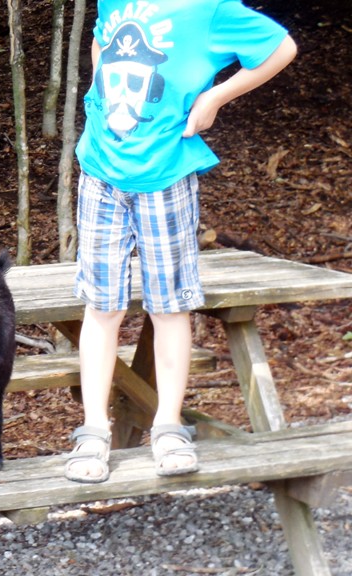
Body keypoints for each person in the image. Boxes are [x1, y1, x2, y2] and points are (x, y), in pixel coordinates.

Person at [64, 0, 298, 483]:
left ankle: (168, 428)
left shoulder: (211, 9)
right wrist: (96, 95)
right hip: (100, 172)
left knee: (169, 306)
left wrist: (215, 98)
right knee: (101, 306)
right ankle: (93, 431)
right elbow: (102, 40)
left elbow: (281, 47)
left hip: (166, 175)